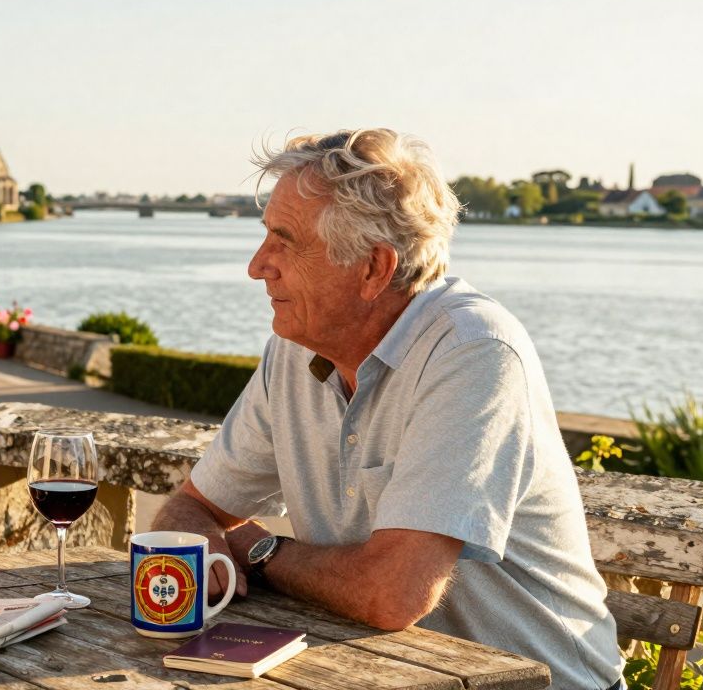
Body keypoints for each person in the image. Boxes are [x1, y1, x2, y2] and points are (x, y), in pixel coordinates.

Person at [153, 129, 623, 690]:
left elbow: (393, 593)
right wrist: (199, 530)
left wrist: (258, 548)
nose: (258, 266)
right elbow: (193, 508)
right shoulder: (296, 349)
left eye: (286, 241)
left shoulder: (473, 351)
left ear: (374, 268)